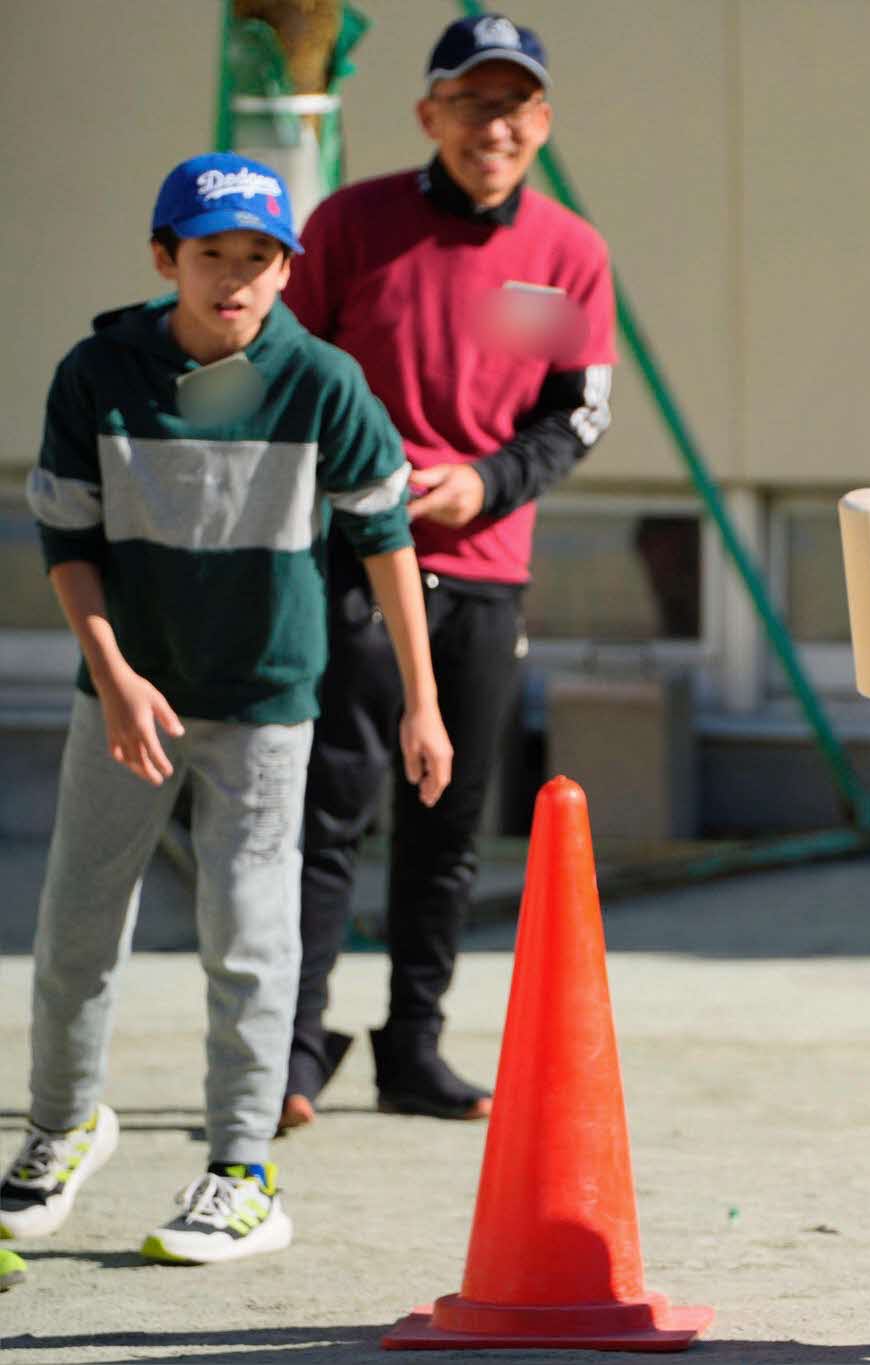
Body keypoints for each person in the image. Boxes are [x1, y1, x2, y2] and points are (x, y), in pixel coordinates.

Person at [2, 154, 451, 1264]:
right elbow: (67, 540)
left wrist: (421, 706)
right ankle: (60, 1129)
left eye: (260, 259)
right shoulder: (98, 371)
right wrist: (112, 671)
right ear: (166, 259)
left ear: (287, 269)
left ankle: (241, 1171)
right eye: (212, 257)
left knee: (249, 939)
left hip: (264, 705)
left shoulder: (325, 382)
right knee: (73, 929)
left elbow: (386, 541)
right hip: (127, 700)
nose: (236, 281)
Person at [279, 12, 616, 1126]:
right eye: (472, 102)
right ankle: (290, 1051)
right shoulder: (348, 224)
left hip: (484, 569)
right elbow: (287, 374)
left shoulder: (570, 255)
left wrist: (487, 483)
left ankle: (412, 1049)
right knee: (323, 812)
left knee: (448, 824)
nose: (495, 125)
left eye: (515, 104)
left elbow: (577, 415)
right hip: (343, 565)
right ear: (430, 115)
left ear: (544, 122)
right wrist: (357, 482)